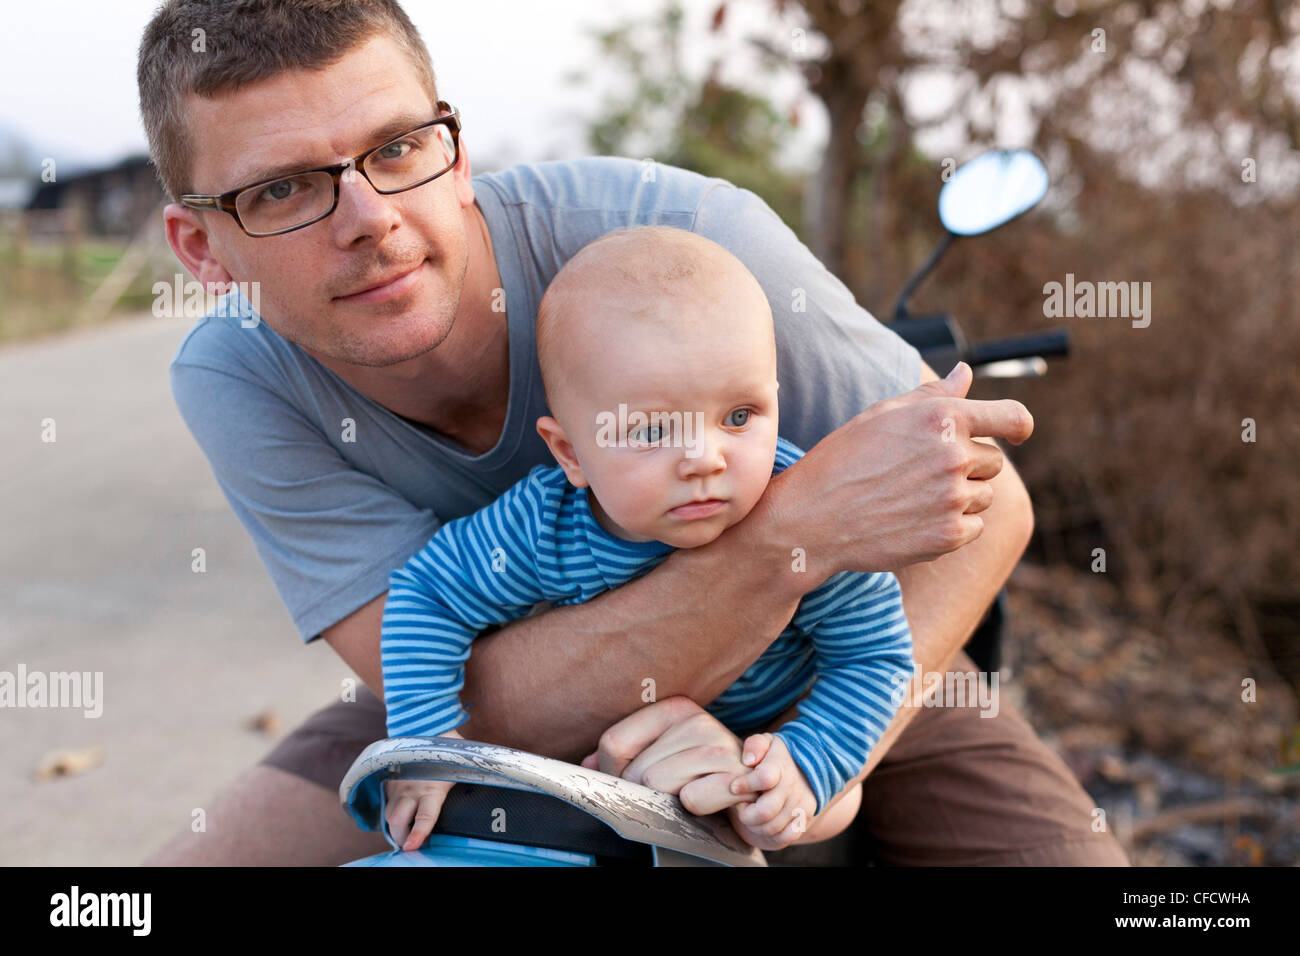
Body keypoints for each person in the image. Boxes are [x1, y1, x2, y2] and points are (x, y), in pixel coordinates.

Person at [138, 0, 1128, 866]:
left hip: (821, 661)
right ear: (200, 248)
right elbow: (465, 698)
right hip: (469, 686)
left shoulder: (681, 243)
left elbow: (989, 504)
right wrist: (799, 531)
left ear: (457, 150)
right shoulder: (239, 377)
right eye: (283, 190)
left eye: (396, 149)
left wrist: (809, 761)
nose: (367, 219)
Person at [379, 226, 915, 852]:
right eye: (653, 430)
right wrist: (427, 740)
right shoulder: (543, 524)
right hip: (611, 771)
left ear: (775, 403)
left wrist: (807, 763)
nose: (704, 458)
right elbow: (429, 593)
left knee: (830, 819)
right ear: (570, 453)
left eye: (739, 417)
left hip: (773, 742)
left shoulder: (804, 511)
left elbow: (874, 656)